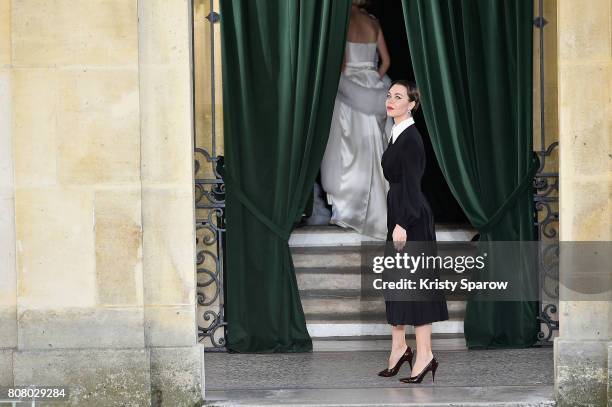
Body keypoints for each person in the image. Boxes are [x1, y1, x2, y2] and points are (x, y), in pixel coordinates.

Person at [378, 80, 449, 383]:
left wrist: (403, 223)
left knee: (416, 287)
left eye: (398, 96)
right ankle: (399, 349)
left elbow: (412, 185)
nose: (390, 100)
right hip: (401, 213)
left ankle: (425, 355)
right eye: (389, 95)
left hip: (411, 218)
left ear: (412, 104)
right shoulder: (398, 134)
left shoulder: (411, 139)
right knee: (398, 284)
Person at [320, 0, 390, 240]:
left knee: (349, 150)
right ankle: (381, 212)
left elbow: (343, 65)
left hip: (350, 89)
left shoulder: (343, 23)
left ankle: (350, 212)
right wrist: (373, 80)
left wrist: (354, 82)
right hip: (373, 87)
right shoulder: (374, 22)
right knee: (376, 149)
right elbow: (387, 61)